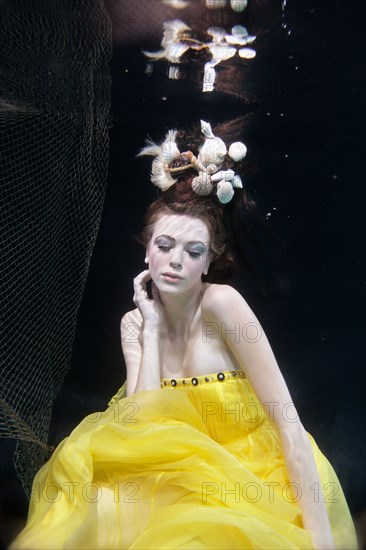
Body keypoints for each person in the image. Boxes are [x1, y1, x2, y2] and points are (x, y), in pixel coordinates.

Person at [11, 121, 358, 549]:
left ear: (210, 260)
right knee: (87, 510)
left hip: (248, 476)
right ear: (146, 248)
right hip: (168, 479)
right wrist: (152, 330)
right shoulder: (135, 324)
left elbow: (288, 425)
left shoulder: (223, 305)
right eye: (164, 245)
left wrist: (320, 541)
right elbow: (139, 431)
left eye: (192, 251)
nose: (175, 261)